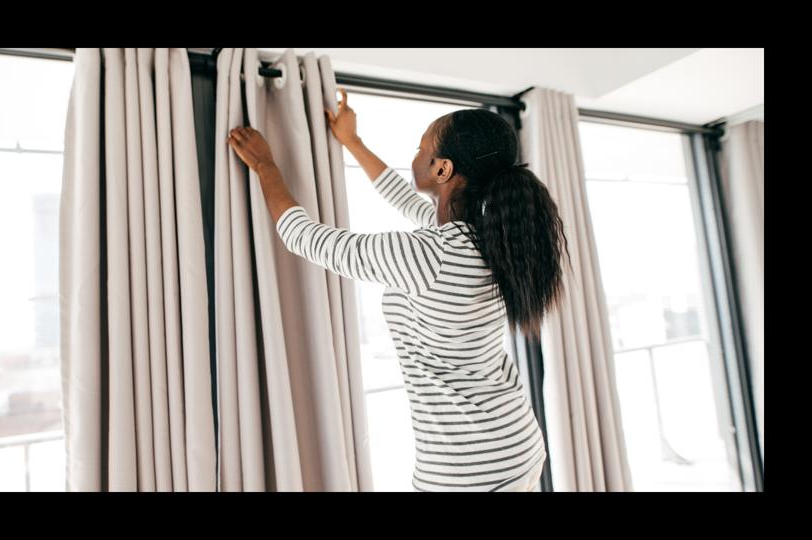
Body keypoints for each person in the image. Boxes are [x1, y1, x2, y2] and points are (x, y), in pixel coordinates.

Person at [227, 88, 571, 492]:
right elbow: (404, 199)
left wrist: (265, 164)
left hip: (467, 471)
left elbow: (305, 238)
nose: (414, 156)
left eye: (420, 147)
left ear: (442, 170)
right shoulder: (489, 238)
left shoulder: (429, 254)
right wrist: (352, 141)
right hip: (516, 444)